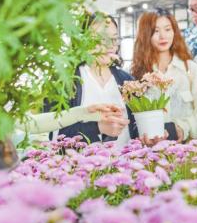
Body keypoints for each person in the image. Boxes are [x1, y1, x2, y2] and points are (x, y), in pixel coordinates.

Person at [18, 13, 134, 145]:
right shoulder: (65, 80)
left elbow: (135, 128)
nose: (110, 46)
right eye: (101, 39)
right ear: (82, 41)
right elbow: (56, 136)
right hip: (79, 164)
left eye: (114, 39)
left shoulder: (127, 81)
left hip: (126, 163)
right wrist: (98, 128)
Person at [131, 8, 197, 146]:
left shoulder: (190, 69)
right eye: (156, 31)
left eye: (167, 29)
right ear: (146, 35)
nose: (163, 36)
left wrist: (182, 128)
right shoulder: (137, 74)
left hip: (188, 153)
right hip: (152, 155)